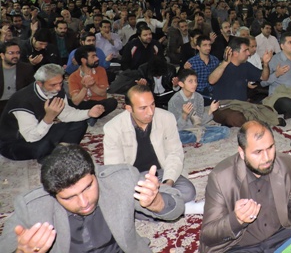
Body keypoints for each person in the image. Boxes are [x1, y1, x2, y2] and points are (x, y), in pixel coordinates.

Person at [0, 144, 185, 253]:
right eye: (69, 197)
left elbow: (176, 207)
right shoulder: (32, 207)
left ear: (95, 173)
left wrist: (156, 202)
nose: (84, 202)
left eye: (88, 187)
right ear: (53, 194)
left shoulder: (120, 179)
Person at [199, 120, 291, 253]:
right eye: (258, 152)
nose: (267, 158)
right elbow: (208, 234)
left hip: (280, 237)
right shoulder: (221, 177)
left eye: (270, 147)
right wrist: (236, 219)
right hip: (240, 246)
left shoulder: (284, 163)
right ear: (242, 153)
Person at [103, 85, 197, 205]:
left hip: (162, 172)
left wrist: (168, 183)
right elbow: (115, 169)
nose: (150, 112)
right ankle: (170, 205)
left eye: (152, 104)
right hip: (133, 178)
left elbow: (174, 153)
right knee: (120, 198)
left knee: (188, 191)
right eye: (143, 108)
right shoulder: (113, 128)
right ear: (129, 108)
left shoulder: (166, 118)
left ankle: (156, 205)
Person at [0, 64, 104, 161]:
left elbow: (66, 114)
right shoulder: (23, 101)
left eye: (60, 83)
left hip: (40, 129)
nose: (58, 88)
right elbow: (30, 137)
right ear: (39, 83)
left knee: (80, 124)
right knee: (44, 146)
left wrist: (89, 113)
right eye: (53, 85)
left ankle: (60, 152)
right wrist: (49, 117)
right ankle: (54, 157)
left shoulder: (57, 90)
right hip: (14, 142)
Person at [168, 68, 230, 144]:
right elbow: (177, 127)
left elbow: (200, 121)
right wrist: (184, 114)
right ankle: (200, 138)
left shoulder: (199, 97)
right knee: (178, 136)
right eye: (190, 81)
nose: (195, 84)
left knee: (225, 130)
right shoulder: (174, 101)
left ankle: (199, 138)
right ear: (181, 84)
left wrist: (210, 110)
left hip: (197, 128)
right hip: (183, 131)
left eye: (196, 81)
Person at [67, 46, 118, 121]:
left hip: (98, 103)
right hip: (83, 103)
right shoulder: (73, 76)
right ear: (83, 60)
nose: (97, 59)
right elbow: (76, 102)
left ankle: (89, 115)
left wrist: (92, 85)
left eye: (96, 56)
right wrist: (85, 88)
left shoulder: (101, 70)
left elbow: (103, 93)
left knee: (112, 102)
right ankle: (91, 115)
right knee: (69, 103)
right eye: (93, 57)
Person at [0, 40, 33, 114]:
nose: (15, 56)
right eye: (11, 53)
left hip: (19, 104)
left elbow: (30, 89)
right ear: (2, 55)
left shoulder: (26, 68)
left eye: (18, 53)